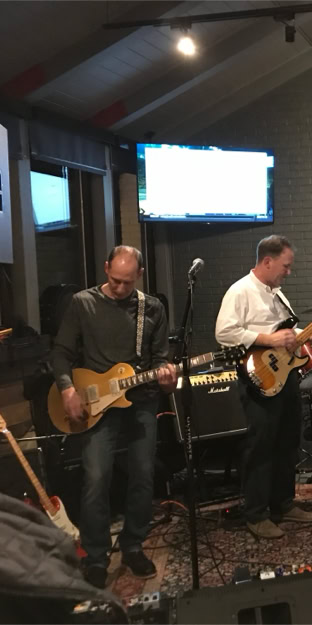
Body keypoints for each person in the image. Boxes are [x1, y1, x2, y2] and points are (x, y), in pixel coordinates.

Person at [51, 245, 177, 589]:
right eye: (115, 279)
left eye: (127, 282)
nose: (120, 288)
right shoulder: (82, 303)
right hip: (96, 402)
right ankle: (96, 557)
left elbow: (160, 359)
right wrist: (67, 389)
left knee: (143, 475)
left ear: (139, 275)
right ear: (106, 267)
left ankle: (133, 546)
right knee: (96, 478)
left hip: (141, 400)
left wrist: (167, 377)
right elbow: (60, 353)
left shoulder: (152, 308)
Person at [215, 235, 312, 539]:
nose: (288, 272)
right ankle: (256, 513)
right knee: (261, 445)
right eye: (285, 266)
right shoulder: (240, 291)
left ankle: (283, 503)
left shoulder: (276, 294)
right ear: (267, 261)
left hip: (285, 377)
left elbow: (286, 334)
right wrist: (268, 339)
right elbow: (224, 332)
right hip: (258, 378)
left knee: (287, 441)